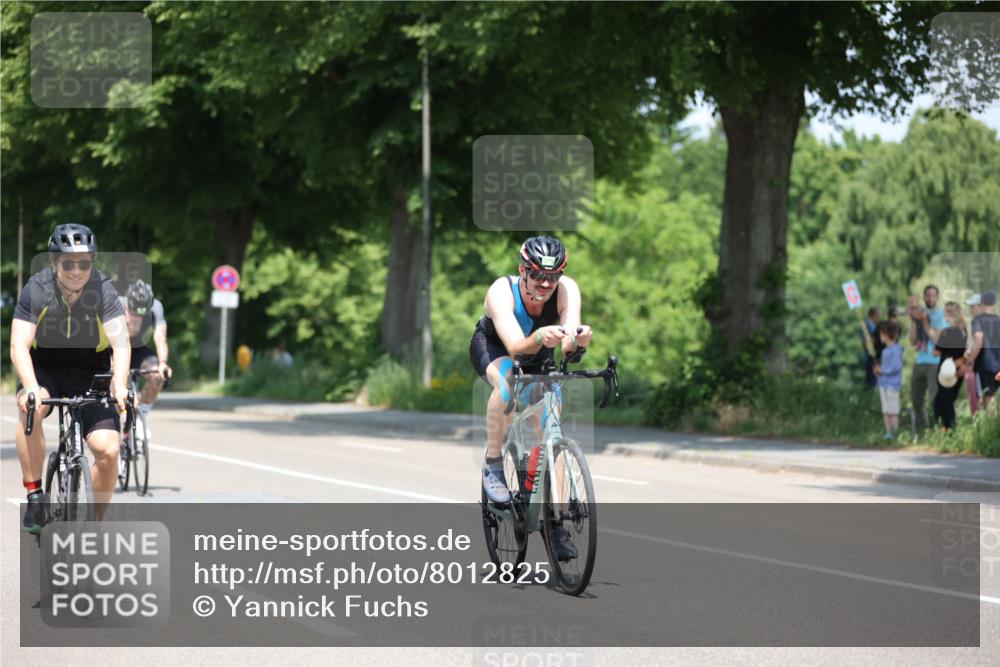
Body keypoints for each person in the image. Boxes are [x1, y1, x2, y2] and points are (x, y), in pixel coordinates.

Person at [469, 236, 592, 560]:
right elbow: (515, 347)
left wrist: (579, 341)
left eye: (553, 276)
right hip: (498, 348)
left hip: (540, 352)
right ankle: (493, 463)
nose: (546, 283)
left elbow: (568, 342)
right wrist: (539, 335)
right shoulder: (501, 291)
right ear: (523, 270)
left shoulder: (567, 290)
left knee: (552, 435)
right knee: (507, 385)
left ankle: (556, 523)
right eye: (537, 275)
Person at [10, 224, 130, 531]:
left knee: (108, 450)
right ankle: (35, 496)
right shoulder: (37, 289)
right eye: (68, 263)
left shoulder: (104, 290)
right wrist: (31, 386)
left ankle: (92, 525)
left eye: (84, 263)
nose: (76, 271)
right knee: (31, 408)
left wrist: (119, 384)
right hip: (44, 369)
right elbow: (19, 345)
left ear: (92, 262)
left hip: (90, 371)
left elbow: (121, 343)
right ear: (54, 263)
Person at [122, 279, 172, 437]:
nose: (139, 315)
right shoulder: (118, 305)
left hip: (139, 350)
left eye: (143, 312)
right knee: (117, 383)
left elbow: (160, 337)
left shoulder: (156, 307)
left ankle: (140, 416)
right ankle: (118, 420)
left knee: (157, 376)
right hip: (117, 348)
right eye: (135, 311)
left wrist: (162, 363)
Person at [908, 285, 946, 429]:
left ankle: (939, 427)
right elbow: (912, 341)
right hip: (920, 360)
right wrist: (914, 320)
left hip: (935, 361)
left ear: (937, 297)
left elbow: (937, 339)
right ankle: (922, 428)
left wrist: (924, 321)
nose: (930, 298)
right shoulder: (920, 313)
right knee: (916, 398)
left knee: (934, 397)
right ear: (924, 297)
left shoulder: (941, 314)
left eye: (933, 295)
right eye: (927, 295)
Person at [932, 302, 968, 430]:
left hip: (946, 370)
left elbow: (935, 352)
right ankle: (949, 428)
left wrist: (937, 334)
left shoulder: (946, 332)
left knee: (941, 403)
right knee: (949, 400)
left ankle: (948, 428)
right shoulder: (964, 331)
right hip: (959, 369)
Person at [968, 290, 1000, 413]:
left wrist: (969, 360)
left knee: (988, 397)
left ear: (981, 303)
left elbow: (978, 339)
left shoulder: (977, 320)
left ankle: (990, 425)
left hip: (984, 365)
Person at [874, 321, 903, 441]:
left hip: (892, 386)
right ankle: (888, 433)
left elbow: (896, 367)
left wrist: (882, 370)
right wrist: (878, 371)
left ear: (887, 335)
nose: (880, 337)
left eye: (881, 334)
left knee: (893, 411)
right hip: (883, 385)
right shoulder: (885, 351)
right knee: (885, 410)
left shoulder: (896, 350)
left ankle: (895, 433)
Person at [965, 294, 982, 416]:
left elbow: (977, 342)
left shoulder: (978, 321)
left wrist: (970, 361)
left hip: (977, 362)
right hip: (977, 361)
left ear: (980, 306)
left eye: (973, 306)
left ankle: (982, 422)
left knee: (980, 394)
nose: (971, 309)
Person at [863, 307, 880, 389]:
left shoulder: (868, 325)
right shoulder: (869, 326)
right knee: (872, 383)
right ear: (874, 315)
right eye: (878, 315)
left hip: (870, 356)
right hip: (871, 357)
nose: (879, 318)